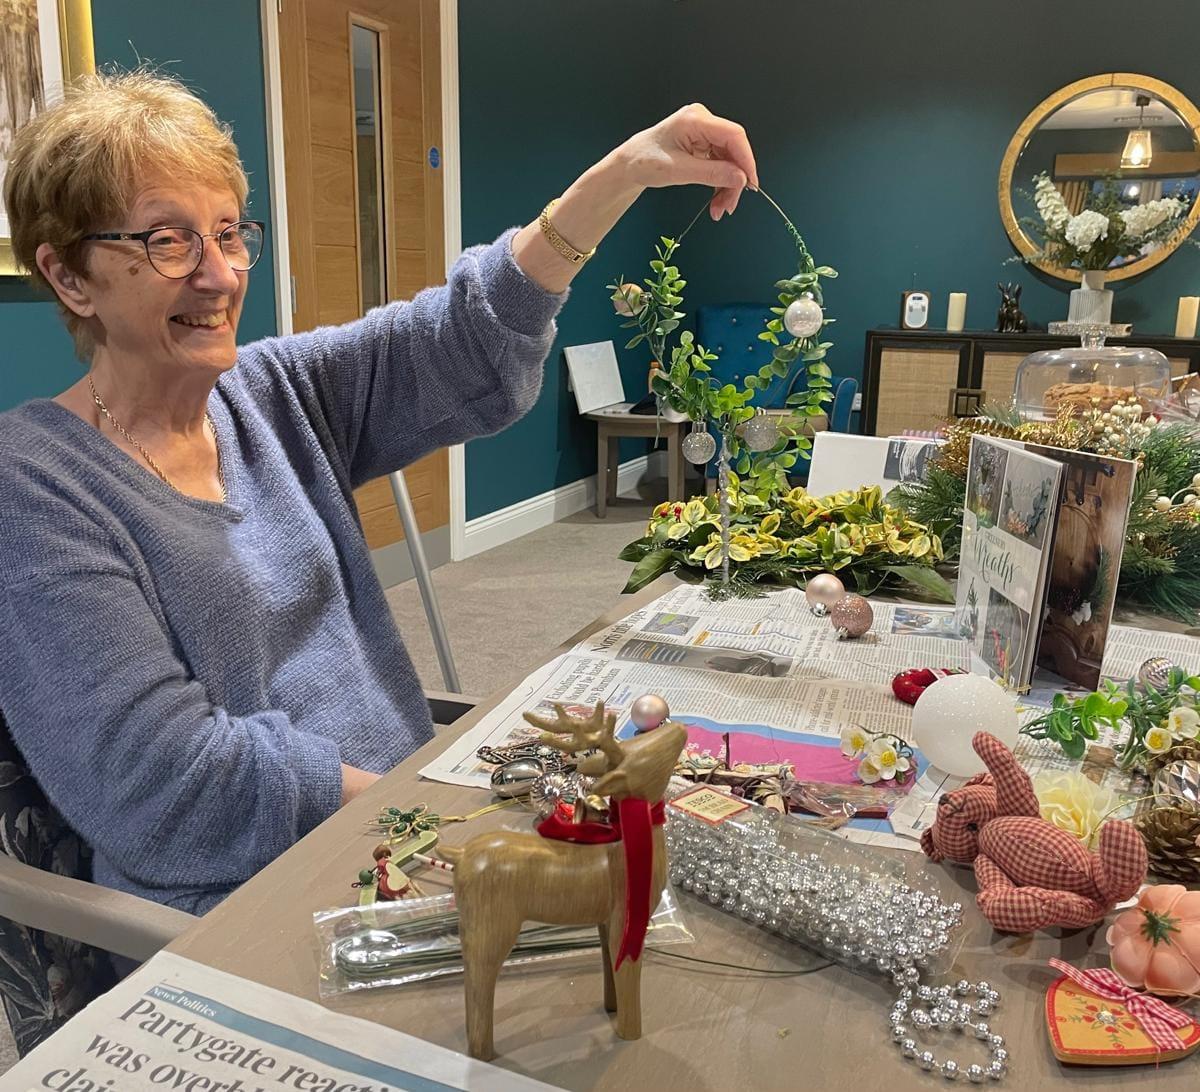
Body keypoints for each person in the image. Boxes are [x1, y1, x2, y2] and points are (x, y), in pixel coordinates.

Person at [0, 71, 758, 914]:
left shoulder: (270, 390)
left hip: (401, 826)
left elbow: (465, 340)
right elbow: (159, 785)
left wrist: (625, 171)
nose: (219, 276)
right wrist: (439, 812)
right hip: (254, 898)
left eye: (227, 233)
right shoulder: (33, 488)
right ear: (70, 277)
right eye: (168, 243)